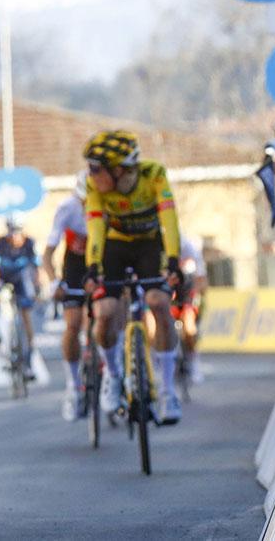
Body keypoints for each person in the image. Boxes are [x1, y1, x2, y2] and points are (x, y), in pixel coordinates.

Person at [82, 130, 184, 425]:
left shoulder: (154, 174)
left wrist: (174, 260)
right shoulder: (94, 186)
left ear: (120, 168)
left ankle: (166, 390)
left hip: (149, 245)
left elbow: (169, 219)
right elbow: (96, 228)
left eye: (95, 167)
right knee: (106, 312)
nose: (90, 174)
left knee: (158, 302)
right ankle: (113, 376)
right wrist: (93, 266)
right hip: (114, 245)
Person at [41, 172, 88, 421]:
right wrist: (54, 281)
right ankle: (73, 384)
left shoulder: (112, 204)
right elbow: (48, 254)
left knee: (107, 318)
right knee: (74, 323)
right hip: (75, 267)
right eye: (83, 201)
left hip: (103, 262)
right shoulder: (67, 209)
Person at [0, 215, 40, 372]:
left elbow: (36, 269)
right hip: (3, 276)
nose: (14, 235)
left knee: (26, 315)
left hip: (21, 278)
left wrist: (37, 287)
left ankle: (28, 355)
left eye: (17, 231)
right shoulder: (0, 243)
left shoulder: (29, 243)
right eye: (11, 231)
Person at [172, 234, 208, 384]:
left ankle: (194, 362)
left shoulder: (189, 247)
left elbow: (201, 280)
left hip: (187, 293)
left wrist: (196, 298)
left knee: (188, 327)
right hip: (169, 293)